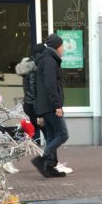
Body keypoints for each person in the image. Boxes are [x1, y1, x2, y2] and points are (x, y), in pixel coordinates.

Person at [32, 33, 67, 178]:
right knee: (62, 134)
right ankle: (42, 160)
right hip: (50, 106)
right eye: (62, 46)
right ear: (57, 47)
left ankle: (49, 167)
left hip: (45, 106)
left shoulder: (47, 59)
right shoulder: (50, 61)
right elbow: (50, 85)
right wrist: (57, 105)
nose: (64, 49)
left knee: (52, 136)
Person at [15, 45, 44, 146]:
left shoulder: (26, 67)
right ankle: (39, 155)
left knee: (33, 129)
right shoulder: (34, 69)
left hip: (28, 103)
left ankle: (33, 148)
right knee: (44, 132)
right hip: (34, 105)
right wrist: (39, 112)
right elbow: (34, 91)